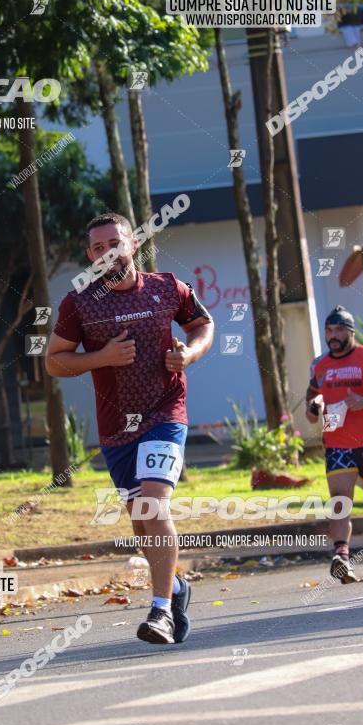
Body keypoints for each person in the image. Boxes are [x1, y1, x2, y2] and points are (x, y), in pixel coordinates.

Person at [46, 213, 214, 644]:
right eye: (98, 248)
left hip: (165, 414)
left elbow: (202, 324)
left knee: (155, 507)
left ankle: (160, 613)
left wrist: (189, 355)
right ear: (90, 255)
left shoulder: (166, 287)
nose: (108, 253)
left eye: (115, 243)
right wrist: (101, 358)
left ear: (133, 244)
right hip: (117, 428)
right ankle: (175, 588)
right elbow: (54, 361)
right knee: (142, 523)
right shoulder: (79, 302)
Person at [305, 305, 363, 584]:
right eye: (328, 330)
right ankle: (341, 557)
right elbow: (312, 394)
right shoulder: (320, 364)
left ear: (350, 332)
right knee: (340, 502)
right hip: (336, 442)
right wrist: (312, 408)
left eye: (338, 330)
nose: (332, 335)